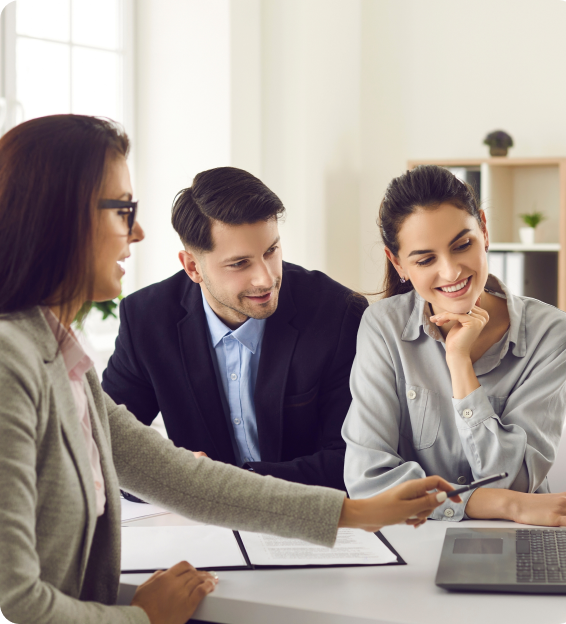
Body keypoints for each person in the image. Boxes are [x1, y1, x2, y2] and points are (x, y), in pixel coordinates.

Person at [0, 116, 458, 624]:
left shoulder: (62, 355)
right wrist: (143, 617)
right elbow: (15, 604)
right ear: (59, 221)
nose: (137, 230)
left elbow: (173, 475)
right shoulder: (11, 363)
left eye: (271, 252)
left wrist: (357, 512)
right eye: (122, 209)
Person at [101, 166, 366, 490]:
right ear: (193, 267)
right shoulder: (146, 320)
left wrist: (223, 485)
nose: (266, 278)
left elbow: (352, 460)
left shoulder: (336, 312)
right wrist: (173, 476)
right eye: (240, 263)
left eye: (271, 251)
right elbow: (104, 448)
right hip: (199, 527)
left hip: (311, 521)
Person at [342, 164, 566, 527]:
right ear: (398, 263)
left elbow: (515, 480)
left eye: (462, 245)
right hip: (418, 539)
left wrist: (459, 363)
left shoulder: (552, 332)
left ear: (483, 229)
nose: (451, 272)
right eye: (425, 259)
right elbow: (369, 483)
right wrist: (504, 504)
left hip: (520, 535)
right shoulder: (383, 326)